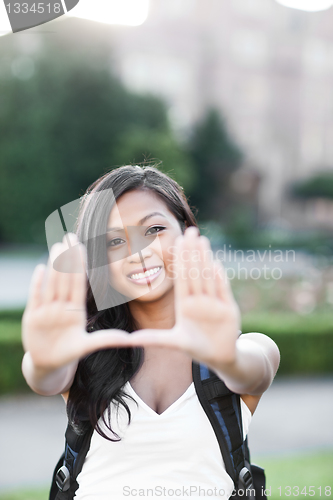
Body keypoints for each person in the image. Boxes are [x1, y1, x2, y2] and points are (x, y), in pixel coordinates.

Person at [21, 165, 280, 500]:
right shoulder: (86, 351)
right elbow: (46, 378)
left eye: (155, 229)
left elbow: (252, 370)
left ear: (187, 231)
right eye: (115, 241)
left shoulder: (244, 350)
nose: (138, 253)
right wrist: (42, 360)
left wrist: (226, 358)